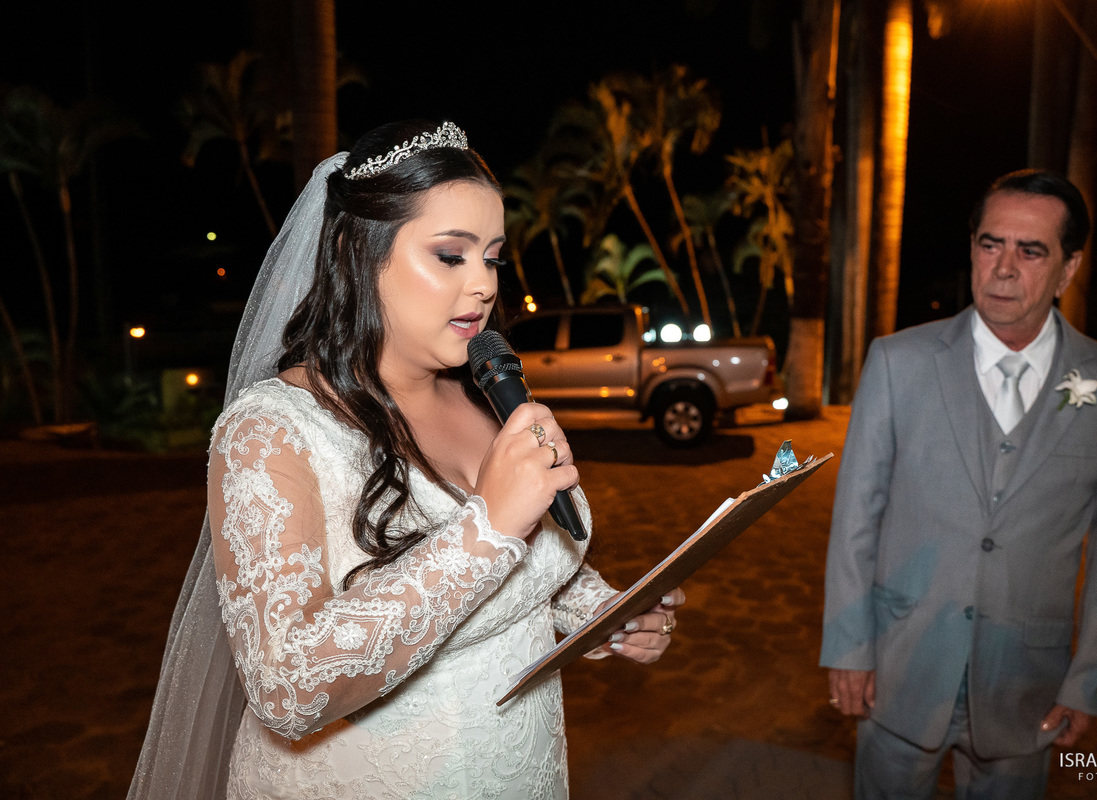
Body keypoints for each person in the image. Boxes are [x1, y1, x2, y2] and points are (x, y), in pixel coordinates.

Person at [127, 120, 684, 800]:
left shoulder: (488, 396)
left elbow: (534, 566)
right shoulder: (269, 433)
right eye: (451, 256)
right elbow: (285, 688)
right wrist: (486, 529)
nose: (483, 285)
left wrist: (606, 614)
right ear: (355, 252)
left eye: (493, 259)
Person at [820, 169, 1097, 798]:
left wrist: (1090, 681)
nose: (1003, 268)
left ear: (1068, 268)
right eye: (990, 244)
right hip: (900, 667)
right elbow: (855, 519)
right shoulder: (897, 362)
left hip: (1028, 685)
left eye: (1031, 251)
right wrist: (848, 647)